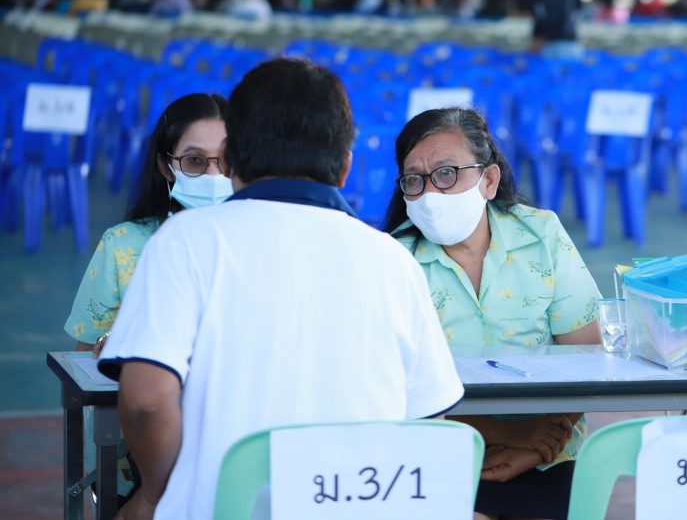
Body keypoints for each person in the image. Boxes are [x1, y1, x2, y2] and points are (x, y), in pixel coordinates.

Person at [98, 58, 463, 520]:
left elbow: (146, 400)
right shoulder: (394, 261)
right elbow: (429, 419)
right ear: (346, 166)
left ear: (230, 159)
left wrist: (156, 495)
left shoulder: (185, 241)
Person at [385, 107, 601, 520]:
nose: (430, 194)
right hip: (440, 451)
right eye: (415, 179)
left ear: (488, 180)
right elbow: (398, 390)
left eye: (446, 174)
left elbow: (588, 357)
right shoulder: (396, 261)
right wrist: (507, 433)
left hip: (549, 453)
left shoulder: (541, 236)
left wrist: (534, 447)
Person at [63, 92, 231, 503]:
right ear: (165, 166)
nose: (215, 174)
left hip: (236, 443)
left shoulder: (266, 244)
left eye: (228, 159)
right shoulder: (123, 246)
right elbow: (86, 364)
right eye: (195, 161)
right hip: (148, 455)